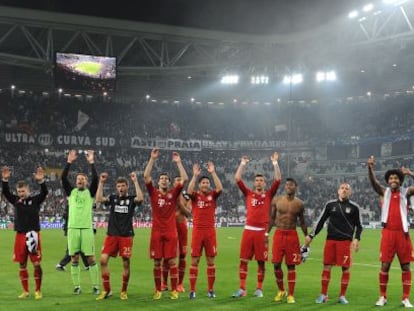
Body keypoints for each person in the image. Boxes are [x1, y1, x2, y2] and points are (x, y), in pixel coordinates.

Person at [232, 152, 281, 298]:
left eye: (261, 180)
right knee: (243, 260)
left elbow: (278, 179)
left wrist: (275, 163)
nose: (259, 182)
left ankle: (259, 289)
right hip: (248, 231)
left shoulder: (269, 195)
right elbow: (237, 179)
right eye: (257, 180)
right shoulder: (248, 194)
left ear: (265, 183)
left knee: (261, 262)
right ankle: (242, 289)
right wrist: (242, 163)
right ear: (254, 183)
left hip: (262, 232)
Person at [304, 182, 362, 305]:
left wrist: (357, 239)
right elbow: (321, 222)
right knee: (327, 267)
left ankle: (342, 296)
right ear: (338, 191)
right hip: (330, 241)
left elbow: (359, 226)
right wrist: (311, 235)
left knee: (345, 269)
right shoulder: (330, 205)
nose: (344, 190)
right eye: (342, 188)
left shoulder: (354, 208)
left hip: (345, 242)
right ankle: (323, 294)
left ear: (350, 192)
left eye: (347, 189)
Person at [367, 156, 414, 308]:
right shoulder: (384, 192)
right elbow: (374, 183)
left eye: (396, 177)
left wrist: (411, 173)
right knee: (385, 266)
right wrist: (370, 168)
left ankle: (405, 298)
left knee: (405, 267)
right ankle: (382, 297)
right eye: (391, 178)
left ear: (400, 180)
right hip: (388, 233)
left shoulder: (406, 192)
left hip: (403, 234)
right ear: (388, 181)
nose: (393, 179)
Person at [143, 148, 188, 300]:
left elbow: (184, 179)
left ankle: (174, 290)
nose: (163, 180)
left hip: (170, 232)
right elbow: (146, 175)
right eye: (161, 178)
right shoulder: (153, 193)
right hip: (156, 233)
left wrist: (178, 162)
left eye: (165, 179)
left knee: (172, 261)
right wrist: (152, 159)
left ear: (169, 182)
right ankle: (158, 290)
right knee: (157, 262)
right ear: (158, 181)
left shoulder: (173, 194)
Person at [95, 171, 144, 300]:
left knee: (126, 263)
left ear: (127, 187)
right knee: (103, 260)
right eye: (119, 186)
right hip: (111, 234)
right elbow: (99, 199)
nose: (121, 188)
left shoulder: (131, 199)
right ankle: (107, 290)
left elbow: (141, 198)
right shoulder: (112, 198)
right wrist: (101, 182)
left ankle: (123, 291)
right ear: (116, 188)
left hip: (126, 235)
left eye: (123, 186)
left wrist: (135, 181)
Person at [1, 166, 47, 300]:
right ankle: (25, 291)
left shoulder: (35, 200)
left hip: (33, 235)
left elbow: (44, 192)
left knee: (36, 264)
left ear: (28, 190)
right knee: (22, 264)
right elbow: (6, 192)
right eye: (19, 191)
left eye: (23, 191)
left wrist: (41, 181)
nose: (21, 193)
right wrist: (4, 180)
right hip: (20, 235)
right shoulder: (16, 201)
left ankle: (38, 290)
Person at [61, 149, 100, 295]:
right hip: (72, 229)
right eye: (78, 179)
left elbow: (96, 180)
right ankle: (77, 286)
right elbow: (63, 178)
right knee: (74, 258)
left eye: (83, 179)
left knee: (90, 258)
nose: (80, 181)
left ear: (86, 182)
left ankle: (96, 286)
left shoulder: (90, 193)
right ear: (76, 182)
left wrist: (91, 162)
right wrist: (69, 162)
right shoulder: (71, 192)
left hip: (86, 229)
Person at [267, 177, 308, 304]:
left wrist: (307, 238)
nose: (288, 187)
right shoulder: (277, 200)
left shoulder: (300, 204)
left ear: (295, 187)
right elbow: (272, 218)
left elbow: (302, 222)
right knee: (276, 264)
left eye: (291, 185)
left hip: (292, 235)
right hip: (279, 234)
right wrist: (266, 233)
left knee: (291, 265)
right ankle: (281, 290)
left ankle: (291, 294)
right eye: (287, 185)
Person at [187, 162, 223, 299]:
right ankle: (192, 290)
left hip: (209, 232)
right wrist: (195, 176)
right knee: (194, 261)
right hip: (197, 232)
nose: (205, 184)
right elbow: (189, 191)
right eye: (203, 183)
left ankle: (210, 290)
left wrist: (213, 172)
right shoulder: (195, 196)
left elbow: (220, 188)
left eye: (207, 183)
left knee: (210, 262)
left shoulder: (213, 195)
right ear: (199, 185)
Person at [161, 176, 191, 293]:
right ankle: (164, 283)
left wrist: (179, 203)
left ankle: (180, 284)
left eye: (180, 180)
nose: (179, 182)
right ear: (173, 183)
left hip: (181, 226)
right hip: (169, 227)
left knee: (183, 255)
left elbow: (188, 213)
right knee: (167, 256)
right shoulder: (167, 194)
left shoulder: (186, 196)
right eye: (177, 180)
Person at [55, 204, 90, 272]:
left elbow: (65, 216)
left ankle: (87, 265)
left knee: (80, 248)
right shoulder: (73, 207)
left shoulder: (70, 206)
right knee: (73, 249)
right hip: (73, 229)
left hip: (73, 229)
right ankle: (61, 265)